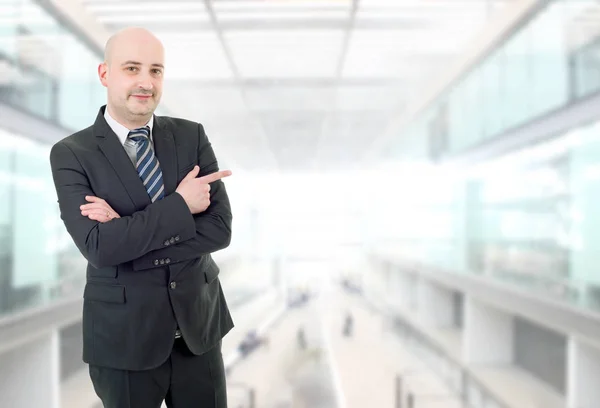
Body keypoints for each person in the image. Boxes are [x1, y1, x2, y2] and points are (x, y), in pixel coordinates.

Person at [49, 27, 234, 408]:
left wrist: (127, 234)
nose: (145, 82)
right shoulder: (72, 153)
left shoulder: (190, 136)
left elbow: (220, 229)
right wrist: (181, 205)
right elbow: (99, 247)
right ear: (105, 74)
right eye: (132, 68)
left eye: (156, 70)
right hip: (124, 343)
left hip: (198, 335)